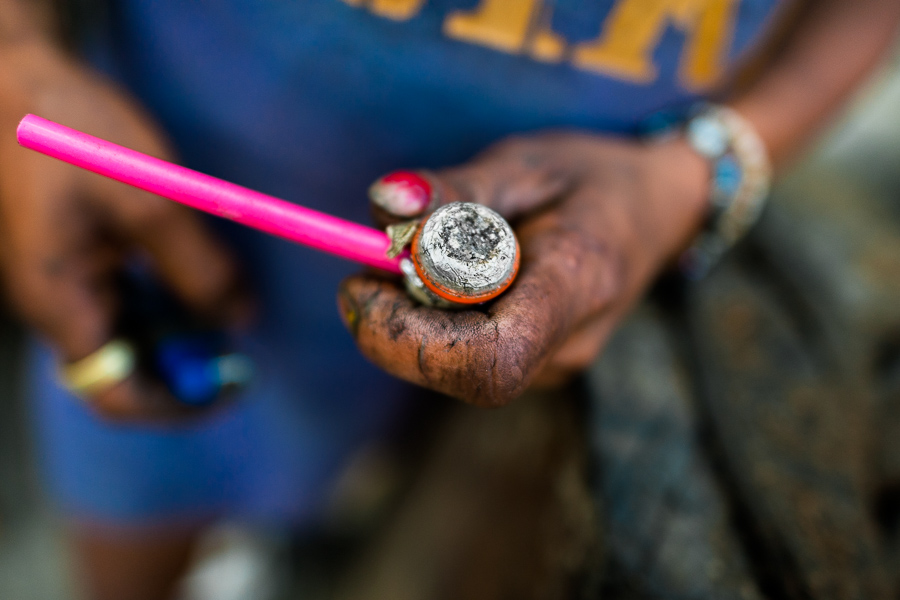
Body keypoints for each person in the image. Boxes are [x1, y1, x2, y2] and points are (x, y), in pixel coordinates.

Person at [0, 1, 898, 599]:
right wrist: (16, 54)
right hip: (148, 228)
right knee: (130, 522)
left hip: (543, 304)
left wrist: (697, 169)